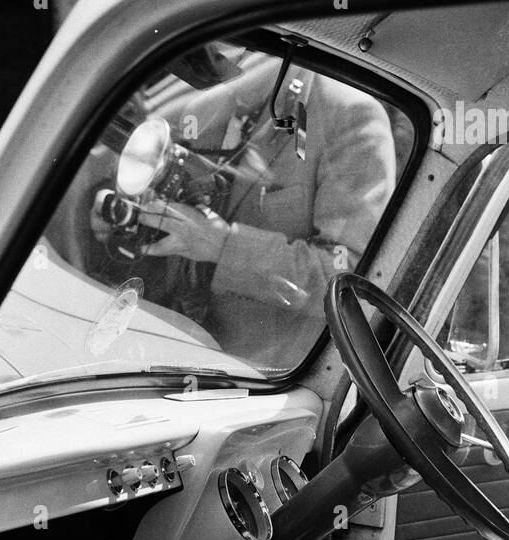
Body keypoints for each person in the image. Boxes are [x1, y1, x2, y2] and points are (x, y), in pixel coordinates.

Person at [135, 54, 396, 368]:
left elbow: (351, 285)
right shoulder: (201, 102)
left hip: (270, 381)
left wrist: (223, 246)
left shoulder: (350, 114)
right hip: (166, 351)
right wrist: (132, 221)